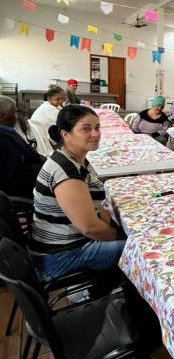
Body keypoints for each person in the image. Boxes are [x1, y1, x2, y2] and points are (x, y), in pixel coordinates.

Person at [30, 105, 125, 279]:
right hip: (61, 255)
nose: (95, 134)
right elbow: (89, 227)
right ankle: (106, 290)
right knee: (139, 250)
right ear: (65, 134)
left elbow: (94, 208)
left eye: (97, 128)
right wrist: (119, 235)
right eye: (86, 129)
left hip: (62, 245)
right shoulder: (66, 172)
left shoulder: (73, 159)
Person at [0, 95, 45, 198]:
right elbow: (29, 158)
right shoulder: (4, 135)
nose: (16, 117)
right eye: (14, 113)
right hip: (22, 194)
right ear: (2, 116)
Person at [30, 85, 67, 156]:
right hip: (46, 138)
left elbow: (63, 114)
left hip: (46, 134)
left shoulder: (52, 105)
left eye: (61, 99)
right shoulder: (48, 108)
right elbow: (62, 121)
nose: (60, 101)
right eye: (57, 99)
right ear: (49, 99)